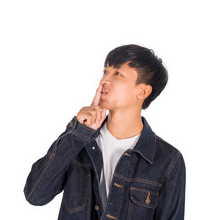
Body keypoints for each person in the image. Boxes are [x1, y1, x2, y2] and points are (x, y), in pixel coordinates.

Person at [23, 44, 186, 220]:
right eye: (105, 72)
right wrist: (78, 133)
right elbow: (35, 195)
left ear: (143, 91)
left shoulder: (167, 159)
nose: (104, 80)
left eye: (117, 73)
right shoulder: (79, 140)